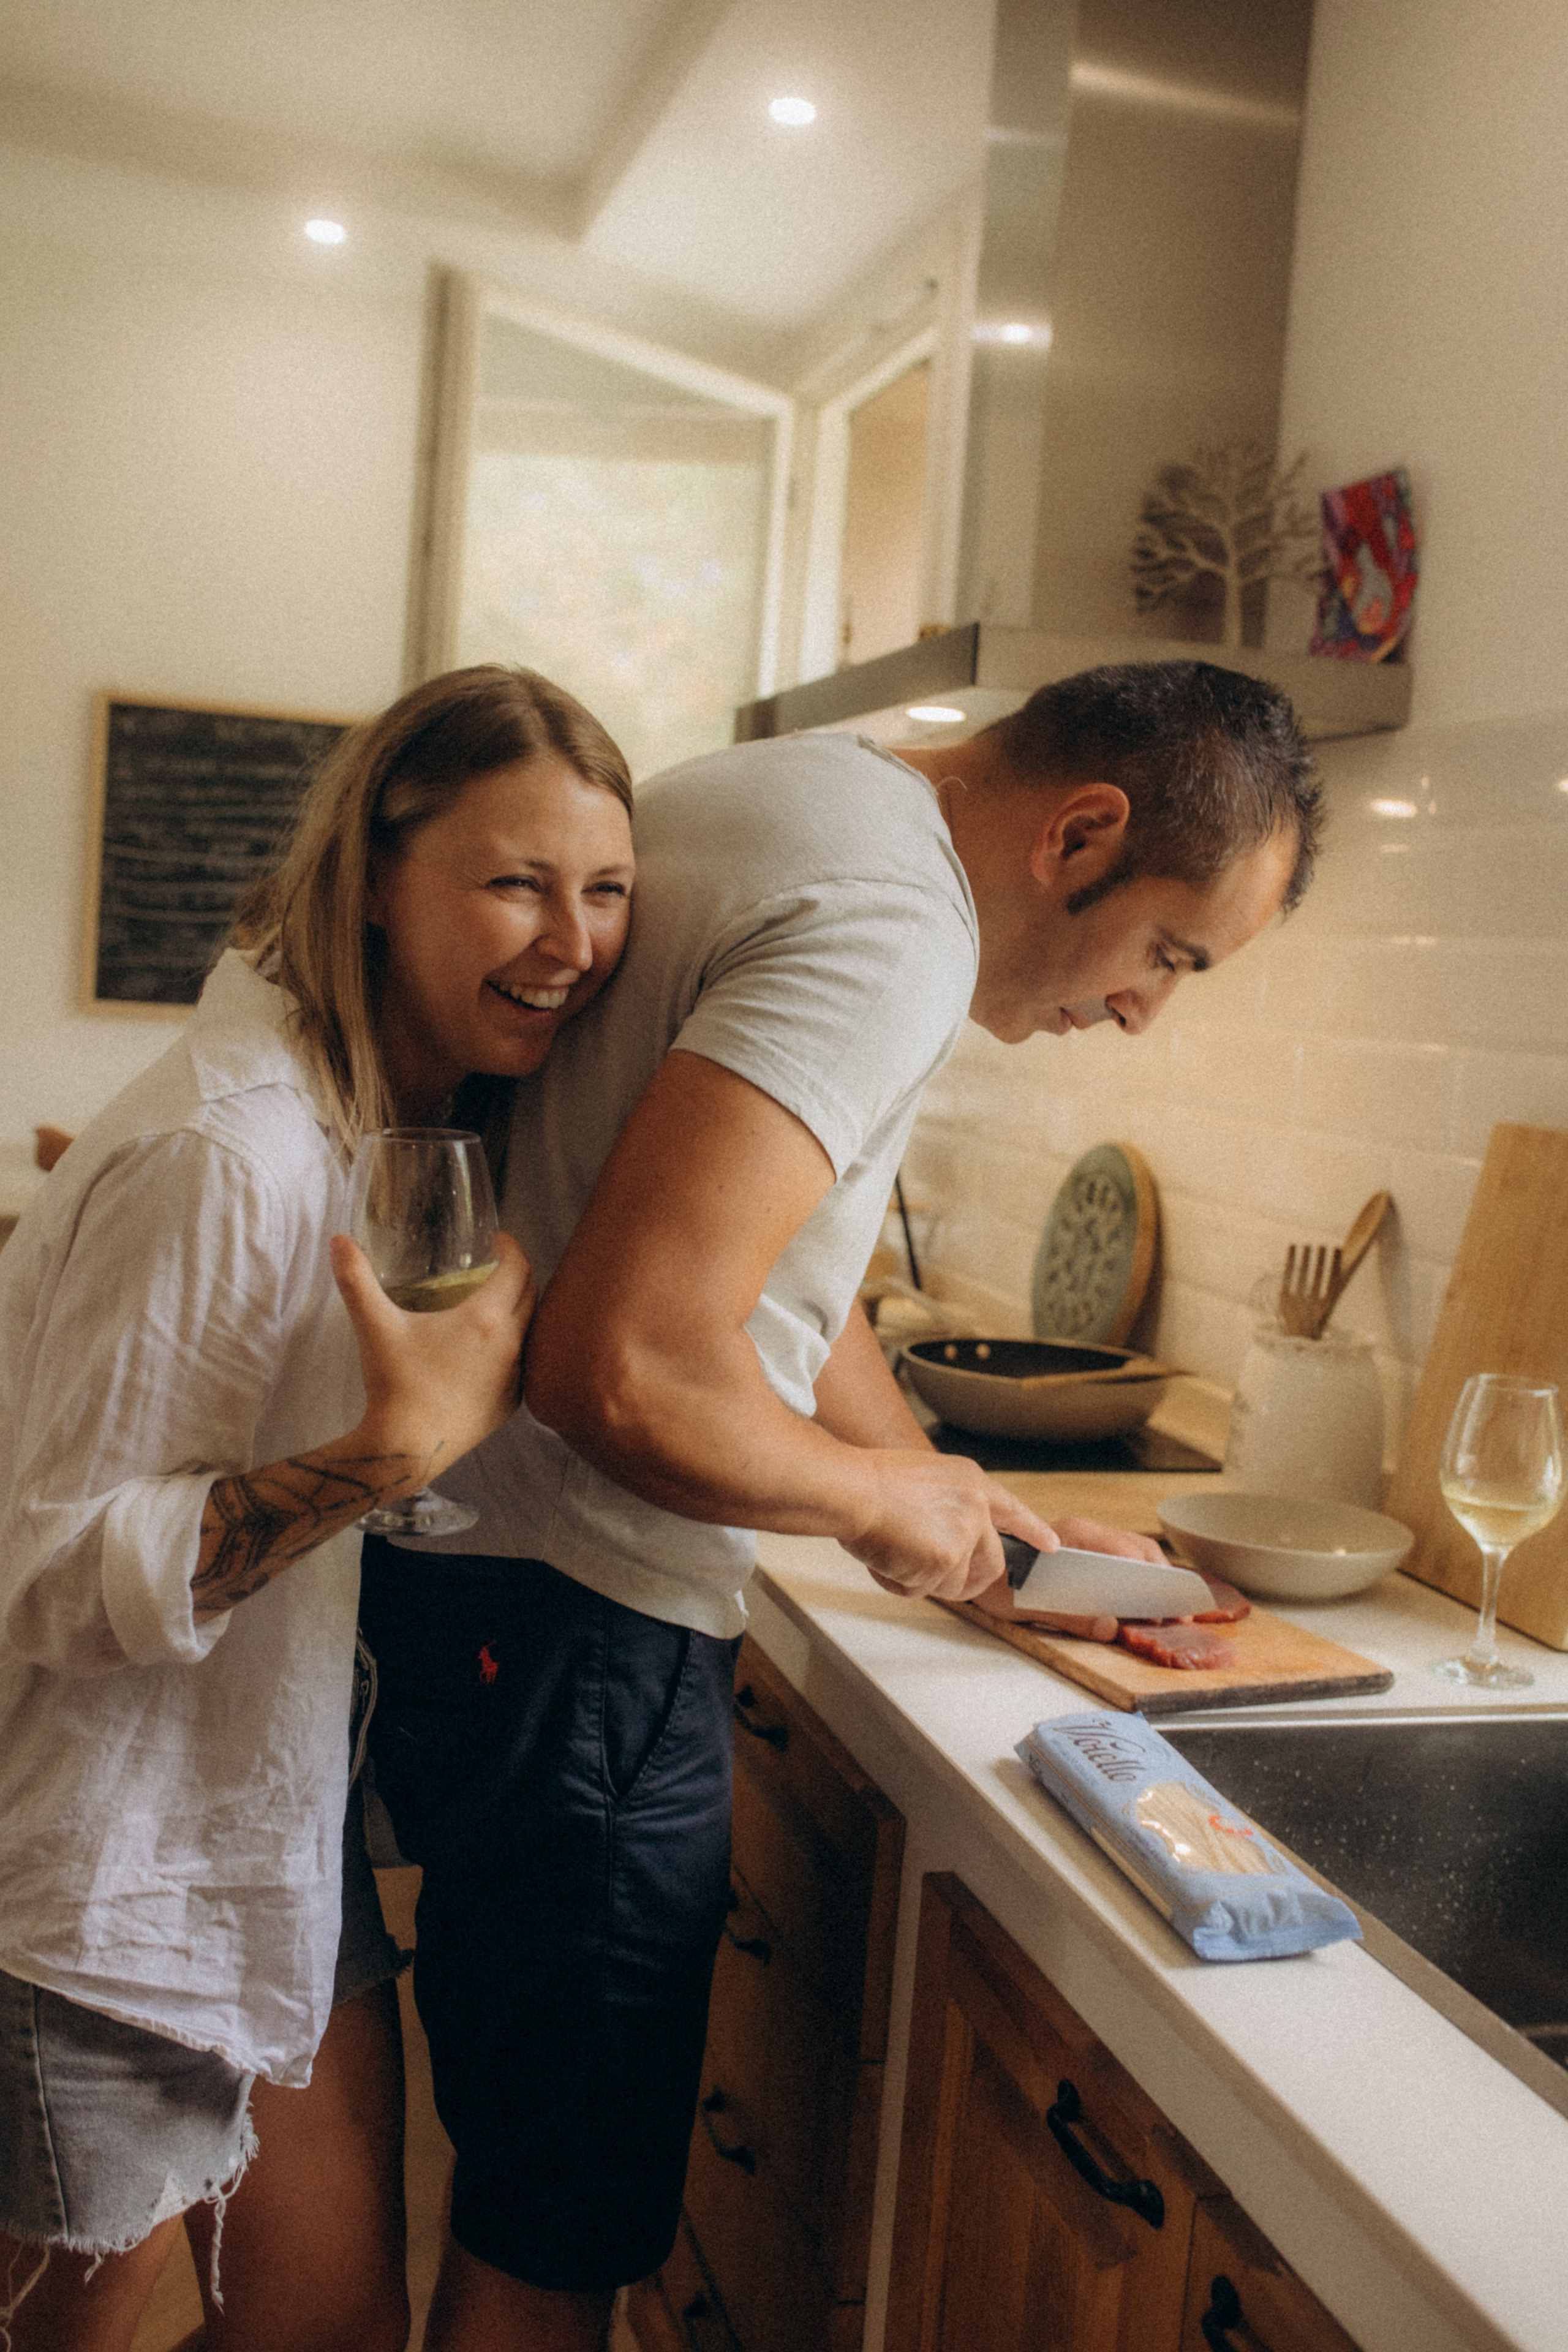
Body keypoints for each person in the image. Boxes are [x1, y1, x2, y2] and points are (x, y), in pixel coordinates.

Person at [358, 658, 1322, 2351]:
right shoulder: (897, 922)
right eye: (1171, 953)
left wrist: (969, 1508)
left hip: (473, 1581)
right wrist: (877, 1509)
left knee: (511, 2183)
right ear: (1083, 835)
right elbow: (627, 1368)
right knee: (549, 2235)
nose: (1143, 1012)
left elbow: (774, 1273)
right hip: (583, 1624)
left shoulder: (800, 793)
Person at [0, 664, 635, 2352]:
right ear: (374, 877)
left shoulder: (375, 1123)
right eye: (517, 882)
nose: (572, 940)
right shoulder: (231, 1151)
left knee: (325, 2323)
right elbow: (51, 1576)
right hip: (102, 1869)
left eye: (606, 889)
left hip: (268, 1822)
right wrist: (389, 1461)